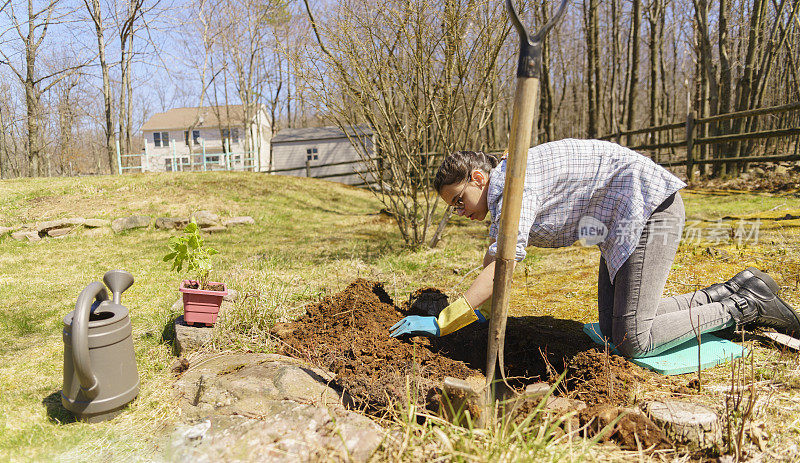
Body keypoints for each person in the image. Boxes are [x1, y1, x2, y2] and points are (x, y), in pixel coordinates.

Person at [389, 138, 800, 358]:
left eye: (459, 200)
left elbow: (504, 265)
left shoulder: (516, 184)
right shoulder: (504, 190)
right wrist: (478, 311)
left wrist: (446, 319)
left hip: (648, 211)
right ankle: (728, 291)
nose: (459, 211)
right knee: (614, 329)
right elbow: (497, 254)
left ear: (478, 177)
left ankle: (746, 306)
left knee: (632, 340)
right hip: (622, 225)